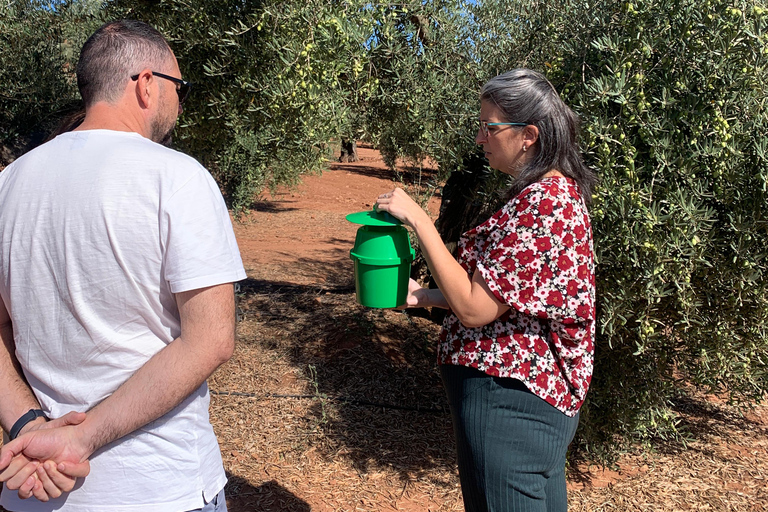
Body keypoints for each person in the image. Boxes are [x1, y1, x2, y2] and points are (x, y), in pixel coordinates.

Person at [0, 19, 246, 511]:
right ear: (147, 84)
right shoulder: (178, 178)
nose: (180, 104)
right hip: (160, 490)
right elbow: (211, 340)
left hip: (34, 493)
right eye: (182, 88)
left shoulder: (9, 184)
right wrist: (80, 439)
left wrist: (30, 426)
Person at [375, 68, 597, 512]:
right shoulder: (546, 195)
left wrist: (419, 221)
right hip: (522, 403)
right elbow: (507, 300)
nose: (480, 138)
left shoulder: (546, 202)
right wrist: (426, 297)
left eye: (489, 127)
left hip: (510, 405)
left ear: (528, 134)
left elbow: (476, 310)